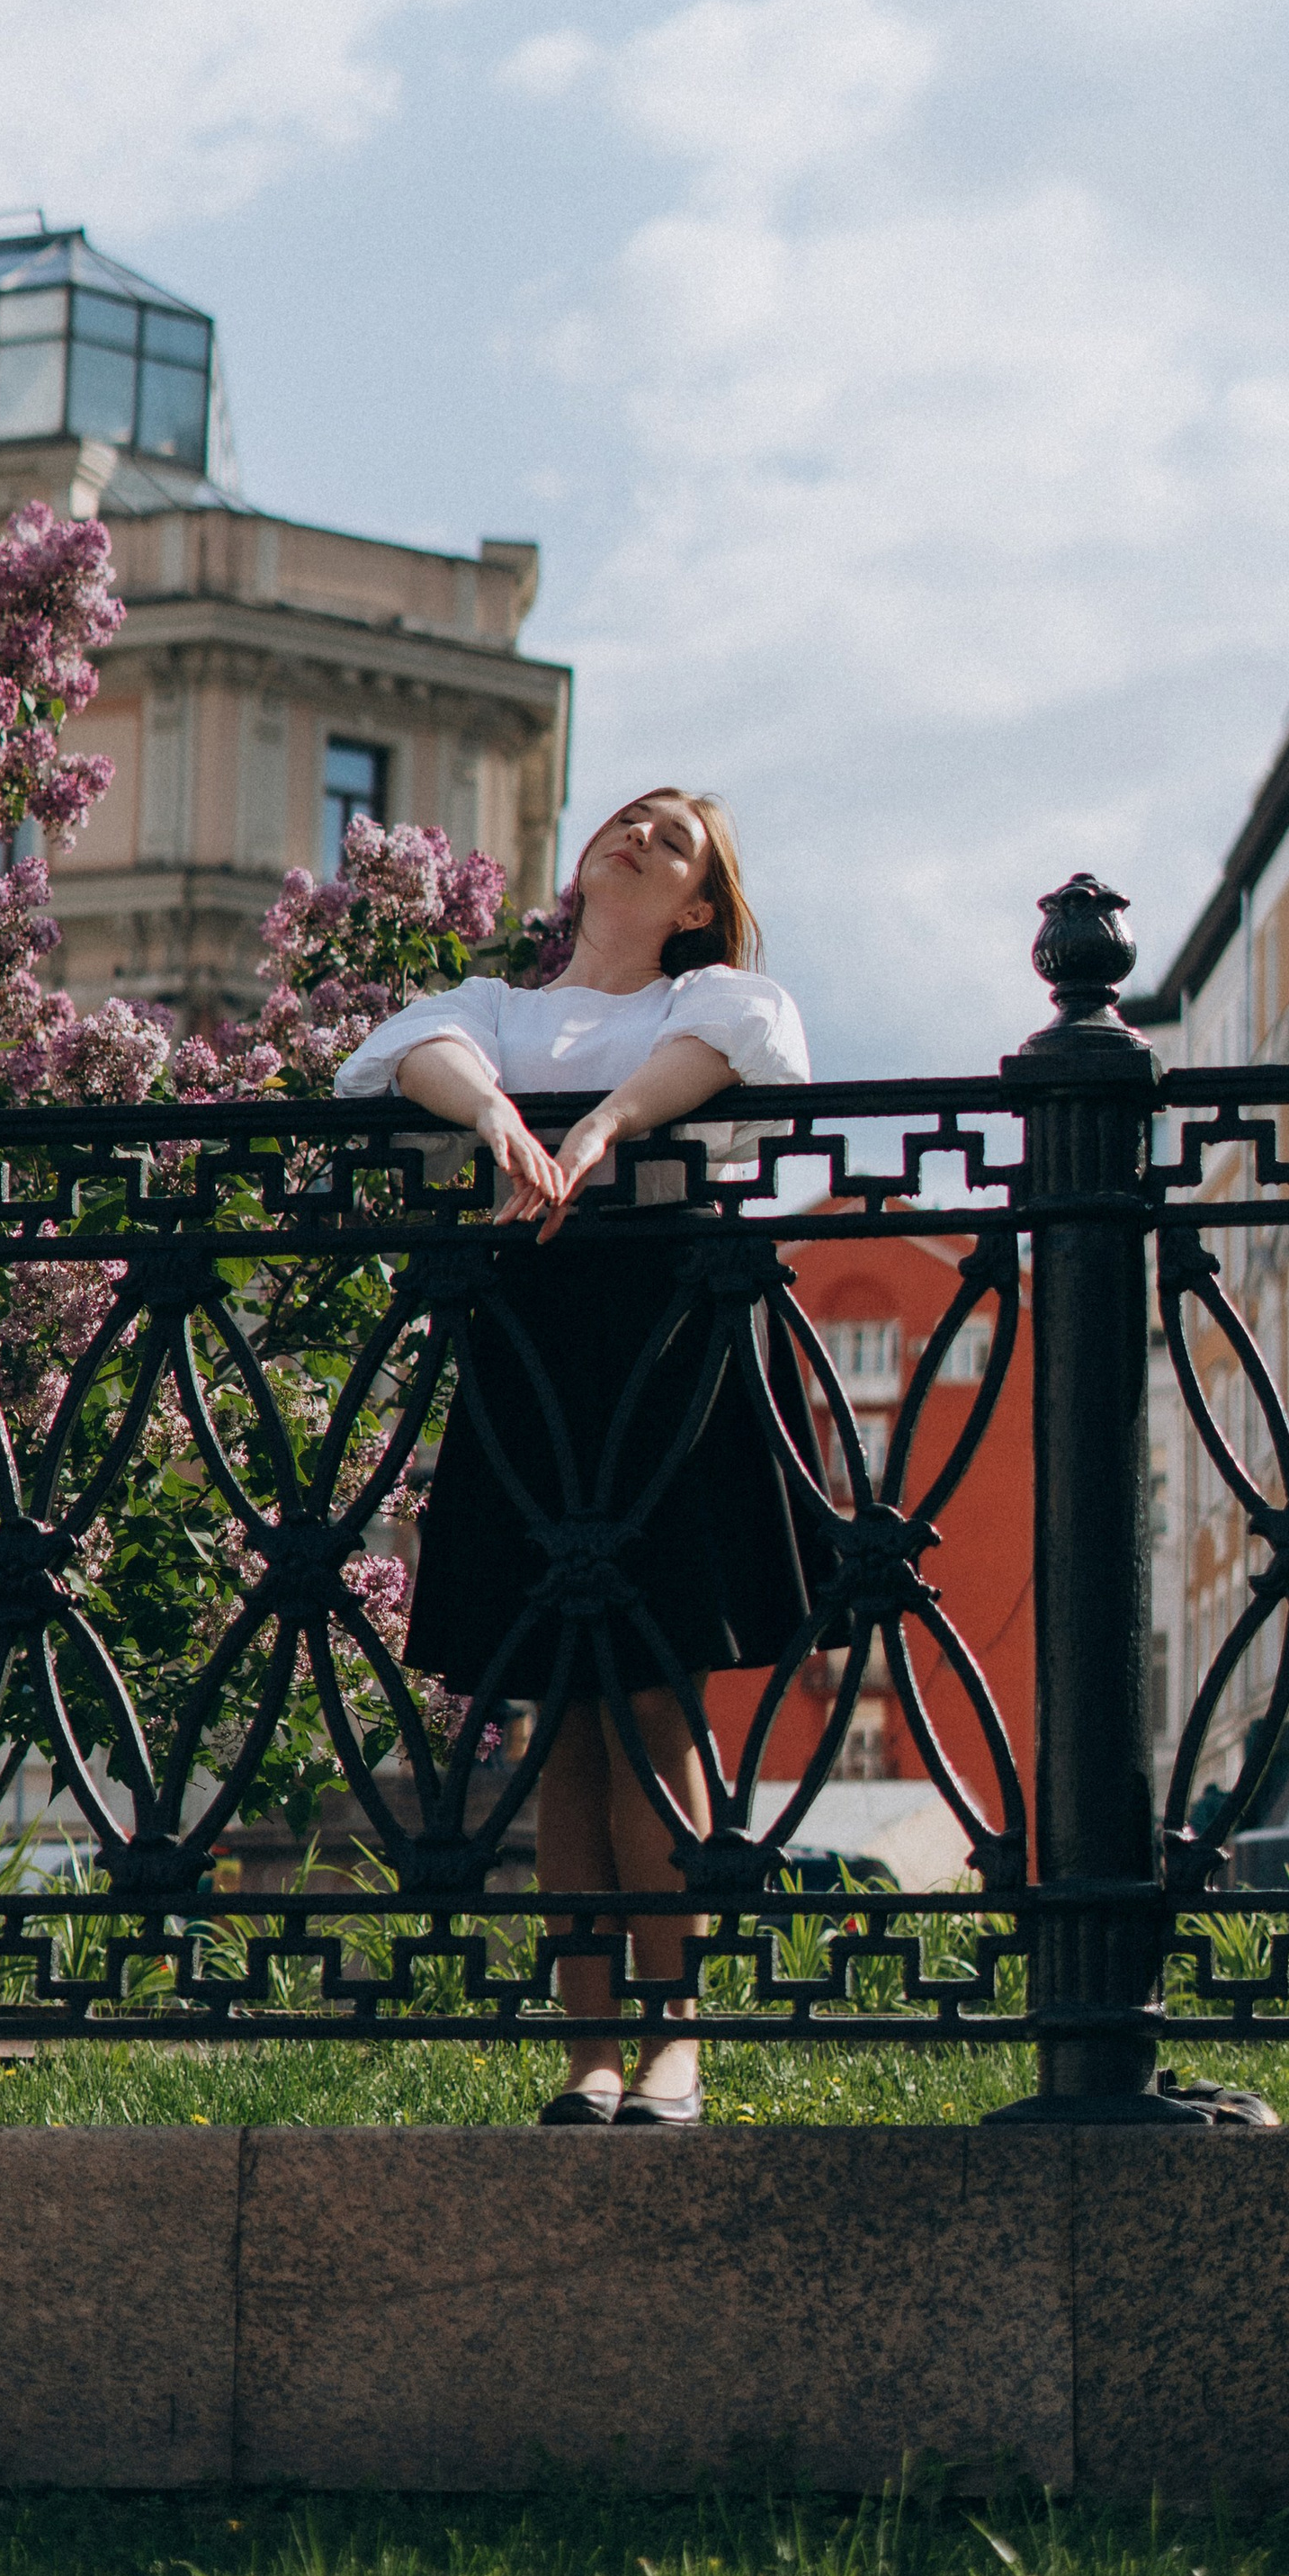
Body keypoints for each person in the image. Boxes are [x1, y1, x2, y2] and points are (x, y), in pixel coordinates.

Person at [334, 786, 820, 2127]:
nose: (639, 838)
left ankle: (678, 2044)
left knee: (656, 1698)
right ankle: (588, 2052)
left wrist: (597, 1129)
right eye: (629, 821)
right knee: (562, 1713)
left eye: (675, 842)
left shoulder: (704, 1001)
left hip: (667, 1350)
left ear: (700, 906)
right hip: (534, 1357)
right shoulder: (497, 1008)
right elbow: (400, 1052)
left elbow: (747, 1041)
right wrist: (500, 1122)